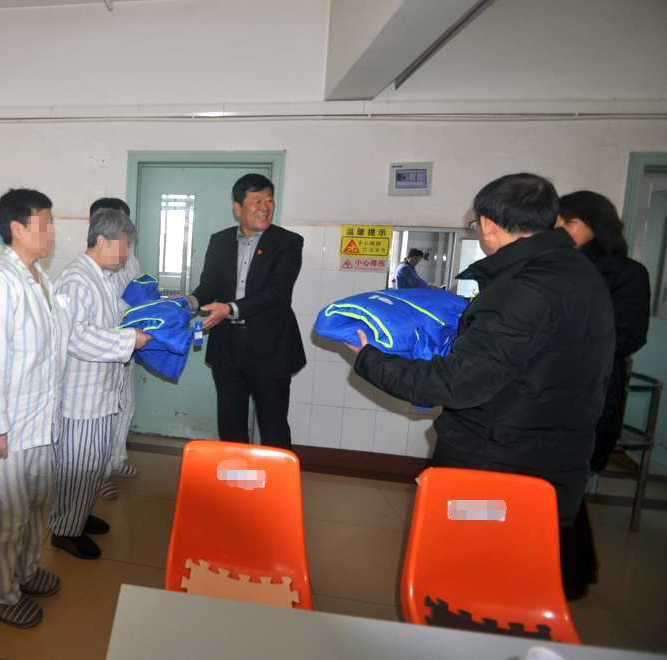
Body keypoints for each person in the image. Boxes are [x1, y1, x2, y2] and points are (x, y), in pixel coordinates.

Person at [348, 173, 614, 526]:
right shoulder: (580, 272)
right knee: (524, 554)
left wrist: (369, 358)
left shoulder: (520, 288)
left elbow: (455, 384)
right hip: (555, 462)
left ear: (487, 225)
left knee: (462, 549)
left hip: (495, 475)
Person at [0, 189, 65, 628]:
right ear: (17, 229)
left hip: (39, 422)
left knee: (34, 506)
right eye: (45, 222)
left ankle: (24, 572)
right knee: (4, 517)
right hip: (8, 428)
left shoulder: (38, 278)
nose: (52, 231)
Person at [555, 190, 651, 599]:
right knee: (556, 484)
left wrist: (562, 337)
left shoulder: (627, 273)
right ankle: (569, 571)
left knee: (564, 483)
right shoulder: (554, 266)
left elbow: (629, 336)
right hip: (548, 389)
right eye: (556, 222)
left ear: (597, 227)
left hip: (589, 391)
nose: (559, 230)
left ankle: (570, 575)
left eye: (569, 222)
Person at [49, 208, 151, 559]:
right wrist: (129, 340)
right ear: (103, 241)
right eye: (123, 245)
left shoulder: (103, 277)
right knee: (79, 463)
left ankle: (77, 515)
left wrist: (152, 318)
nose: (126, 253)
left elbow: (118, 315)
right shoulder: (77, 280)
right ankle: (64, 531)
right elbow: (77, 337)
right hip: (82, 397)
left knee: (93, 463)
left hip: (101, 392)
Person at [181, 173, 306, 450]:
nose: (265, 207)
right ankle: (237, 476)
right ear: (238, 208)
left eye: (269, 200)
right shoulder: (220, 240)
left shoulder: (288, 242)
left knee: (273, 425)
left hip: (270, 345)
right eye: (256, 200)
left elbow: (277, 291)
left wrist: (230, 309)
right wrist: (190, 301)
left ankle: (274, 478)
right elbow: (210, 285)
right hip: (227, 345)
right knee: (230, 424)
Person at [91, 198, 140, 501]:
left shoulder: (129, 258)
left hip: (127, 343)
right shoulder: (91, 269)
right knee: (104, 414)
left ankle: (116, 459)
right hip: (106, 349)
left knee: (126, 404)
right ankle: (97, 475)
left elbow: (134, 297)